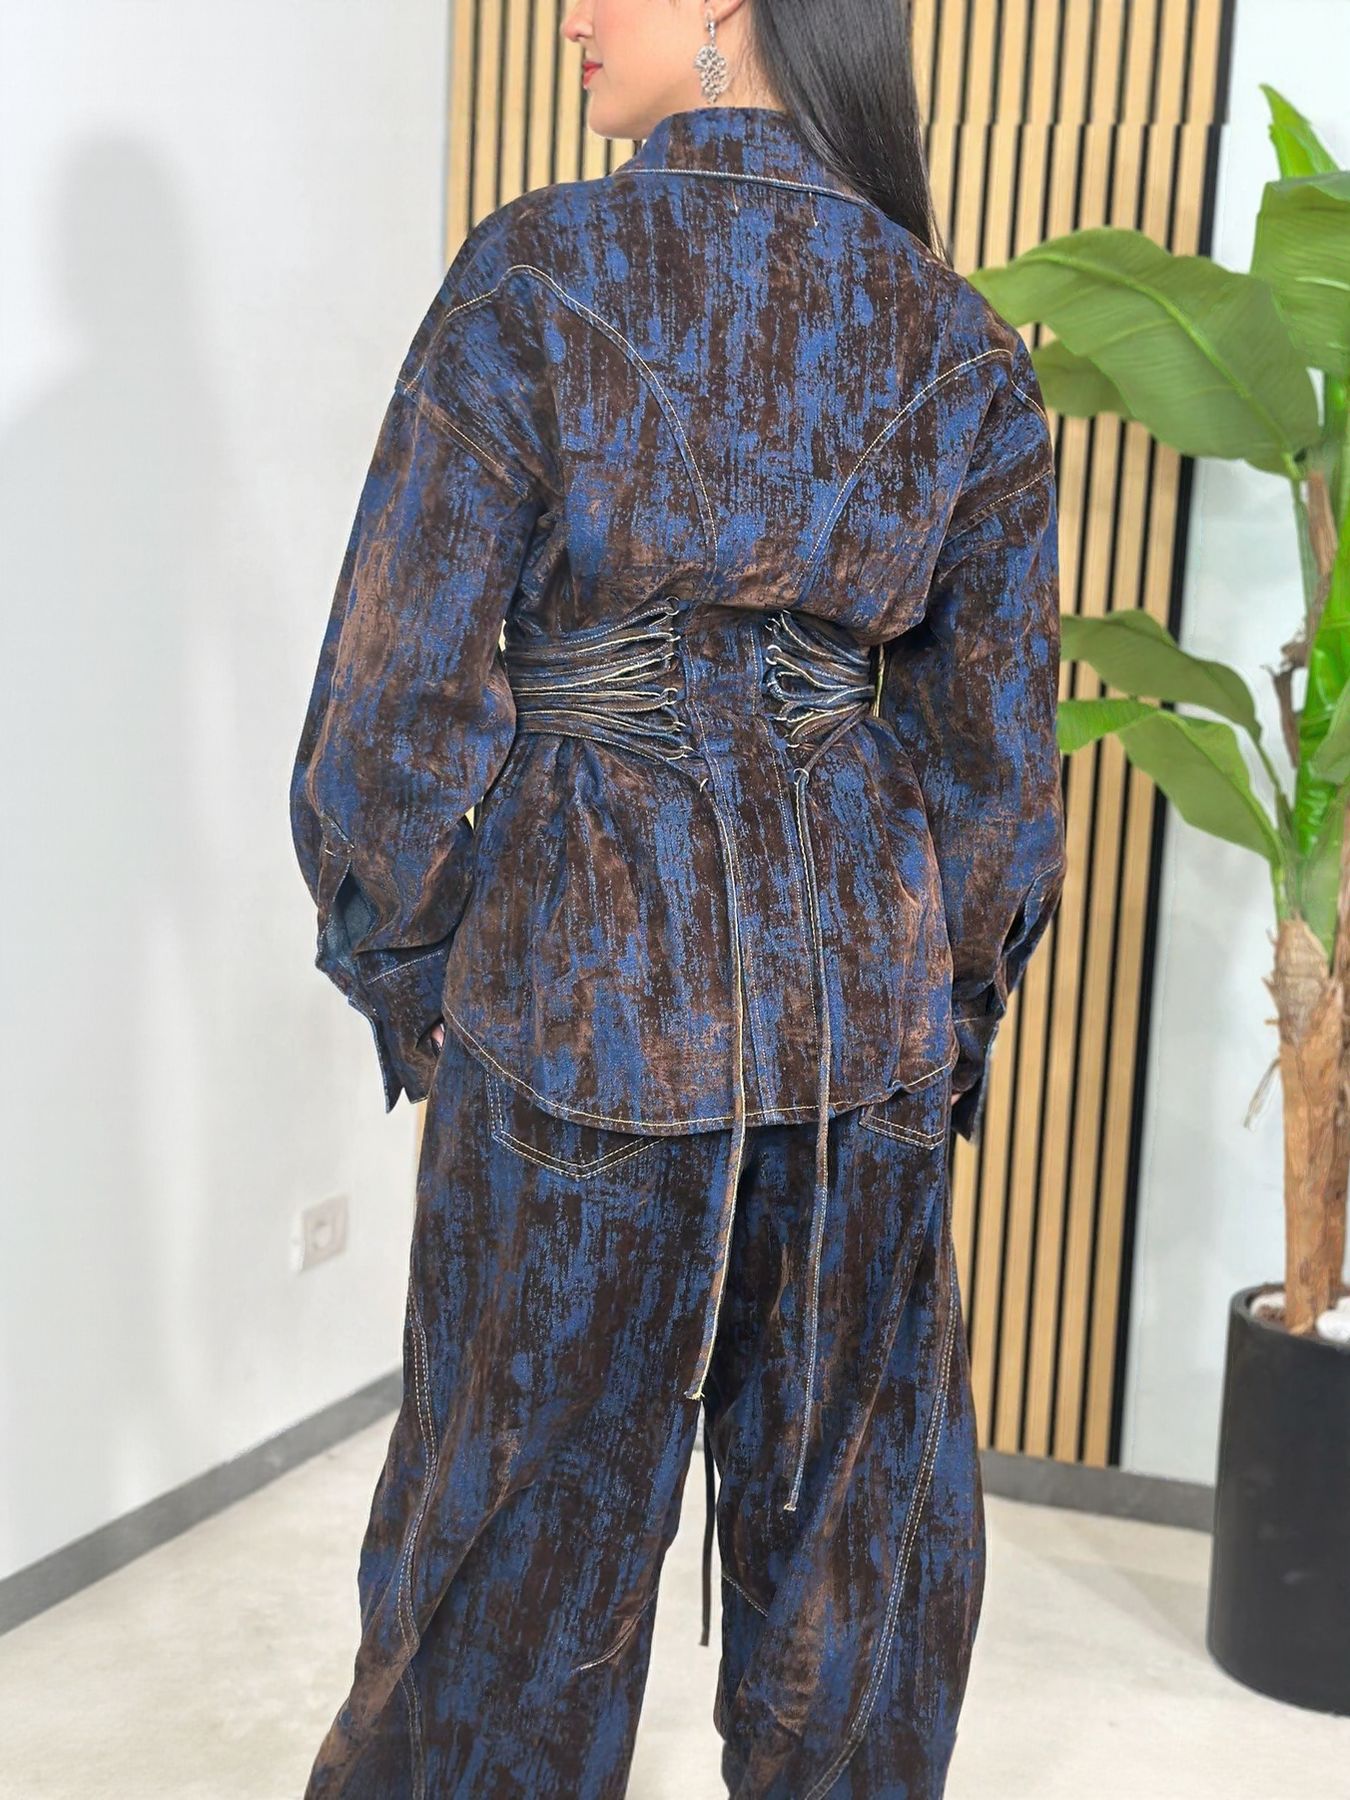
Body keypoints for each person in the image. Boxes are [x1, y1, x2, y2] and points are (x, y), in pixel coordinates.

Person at [289, 0, 1067, 1794]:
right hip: (857, 1043)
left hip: (576, 1013)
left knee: (494, 1591)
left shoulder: (533, 275)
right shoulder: (952, 336)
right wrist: (931, 1021)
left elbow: (387, 717)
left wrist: (421, 972)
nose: (571, 13)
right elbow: (993, 776)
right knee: (853, 1603)